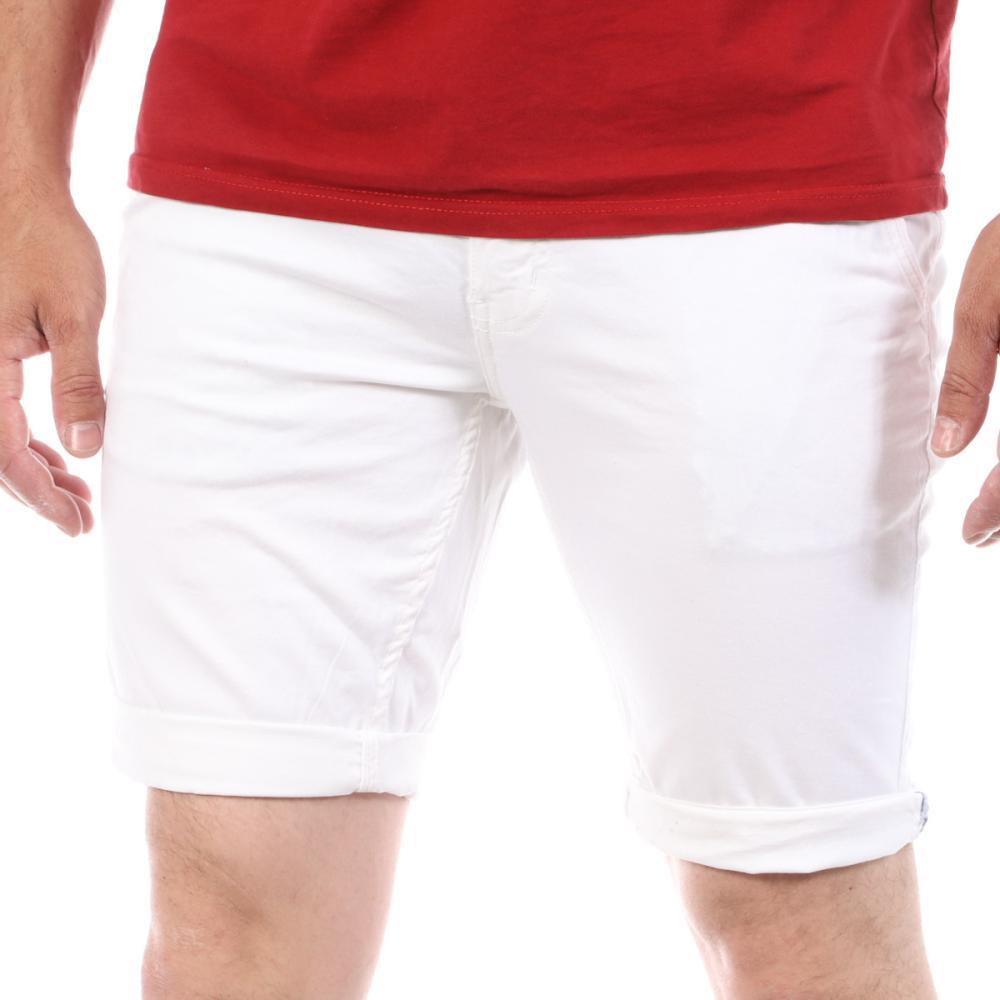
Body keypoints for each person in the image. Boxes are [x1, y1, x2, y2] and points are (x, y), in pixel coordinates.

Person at [2, 1, 994, 997]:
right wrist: (16, 171)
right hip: (268, 160)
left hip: (766, 162)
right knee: (227, 905)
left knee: (795, 889)